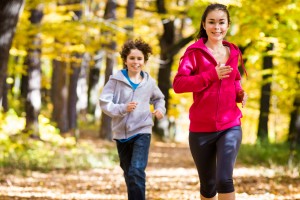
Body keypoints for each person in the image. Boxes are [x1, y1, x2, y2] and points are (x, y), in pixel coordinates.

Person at [172, 3, 247, 200]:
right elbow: (179, 84)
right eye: (212, 22)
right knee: (208, 186)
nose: (217, 27)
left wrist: (239, 94)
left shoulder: (233, 52)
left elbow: (235, 81)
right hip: (200, 130)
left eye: (221, 22)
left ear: (228, 25)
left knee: (224, 179)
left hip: (230, 125)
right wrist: (211, 75)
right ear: (204, 25)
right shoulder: (195, 52)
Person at [99, 38, 166, 200]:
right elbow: (104, 102)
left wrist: (160, 109)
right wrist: (123, 107)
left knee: (136, 170)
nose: (136, 62)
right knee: (129, 172)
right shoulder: (115, 80)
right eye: (132, 58)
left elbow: (159, 98)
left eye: (139, 58)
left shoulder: (149, 82)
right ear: (125, 60)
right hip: (121, 134)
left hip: (142, 130)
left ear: (144, 60)